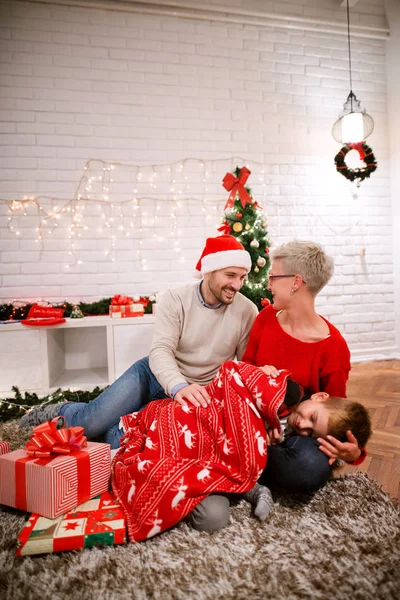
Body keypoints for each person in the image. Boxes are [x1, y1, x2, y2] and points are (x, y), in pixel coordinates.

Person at [19, 234, 258, 530]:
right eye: (230, 275)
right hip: (155, 375)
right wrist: (178, 387)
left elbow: (243, 366)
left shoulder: (247, 310)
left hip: (198, 393)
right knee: (90, 423)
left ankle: (117, 423)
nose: (237, 284)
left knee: (122, 450)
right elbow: (160, 351)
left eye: (242, 277)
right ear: (209, 271)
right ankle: (62, 409)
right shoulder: (175, 298)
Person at [111, 360, 372, 542]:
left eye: (311, 433)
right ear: (319, 398)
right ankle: (249, 488)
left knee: (211, 516)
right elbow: (235, 376)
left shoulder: (298, 430)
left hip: (225, 453)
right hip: (204, 418)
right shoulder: (289, 393)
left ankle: (245, 486)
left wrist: (350, 454)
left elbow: (328, 442)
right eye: (311, 418)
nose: (302, 425)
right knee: (161, 462)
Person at [242, 240, 366, 494]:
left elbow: (334, 410)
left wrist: (354, 453)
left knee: (306, 467)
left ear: (296, 282)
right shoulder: (265, 318)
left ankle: (241, 461)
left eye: (274, 277)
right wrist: (258, 375)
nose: (268, 284)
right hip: (253, 413)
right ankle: (250, 461)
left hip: (295, 428)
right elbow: (246, 366)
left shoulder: (333, 346)